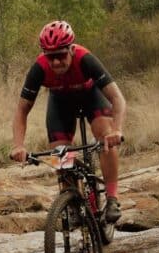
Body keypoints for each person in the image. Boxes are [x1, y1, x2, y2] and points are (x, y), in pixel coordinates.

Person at [10, 20, 126, 223]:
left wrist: (117, 130)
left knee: (105, 137)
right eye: (50, 57)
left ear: (71, 49)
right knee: (60, 154)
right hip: (60, 102)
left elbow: (117, 98)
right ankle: (73, 202)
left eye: (61, 56)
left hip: (91, 96)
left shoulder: (85, 59)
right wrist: (18, 145)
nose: (55, 63)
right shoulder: (39, 68)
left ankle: (112, 197)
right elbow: (21, 110)